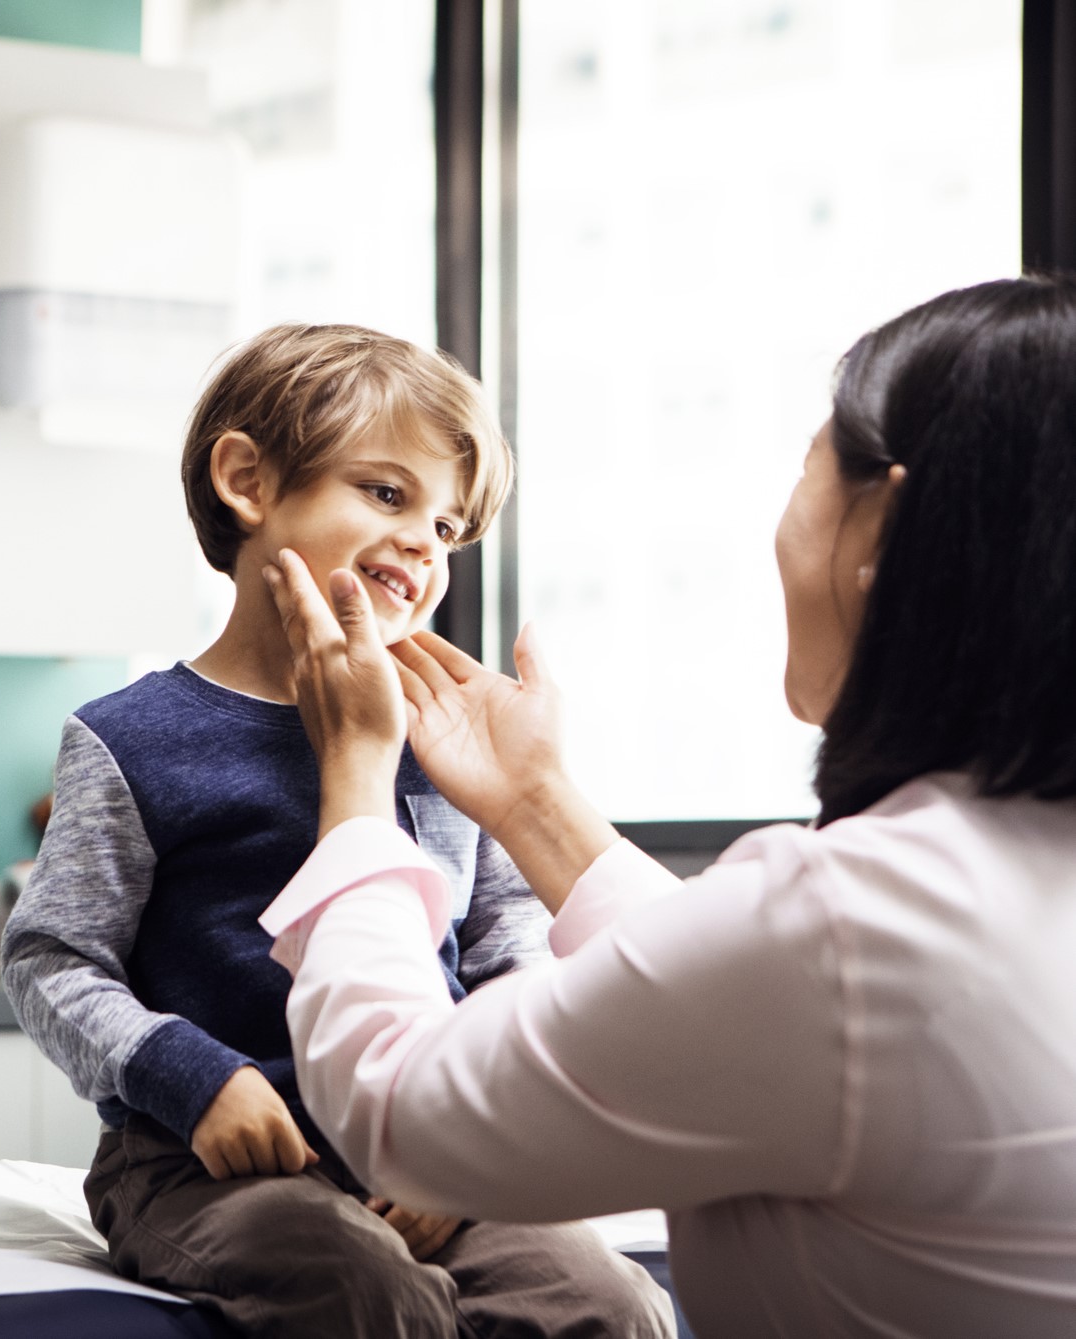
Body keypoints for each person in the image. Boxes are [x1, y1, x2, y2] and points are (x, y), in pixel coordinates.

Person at [256, 276, 1076, 1338]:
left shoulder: (851, 917)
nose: (420, 545)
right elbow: (737, 994)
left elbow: (399, 1110)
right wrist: (534, 801)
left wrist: (357, 776)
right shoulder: (959, 887)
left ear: (880, 516)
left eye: (804, 473)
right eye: (383, 494)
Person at [2, 324, 674, 1337]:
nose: (422, 542)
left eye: (447, 527)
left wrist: (478, 1138)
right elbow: (51, 958)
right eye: (387, 494)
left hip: (422, 1142)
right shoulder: (127, 737)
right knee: (361, 1284)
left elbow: (507, 944)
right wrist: (192, 1078)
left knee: (603, 1299)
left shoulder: (442, 744)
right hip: (196, 1156)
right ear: (246, 480)